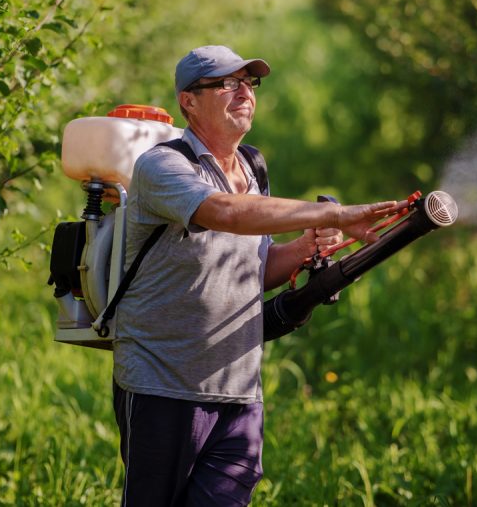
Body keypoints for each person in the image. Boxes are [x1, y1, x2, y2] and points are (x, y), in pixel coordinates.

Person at [111, 45, 403, 506]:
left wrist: (307, 246)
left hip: (240, 394)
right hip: (162, 385)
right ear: (189, 100)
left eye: (249, 82)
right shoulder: (163, 166)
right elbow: (224, 212)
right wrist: (338, 214)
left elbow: (257, 269)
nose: (244, 91)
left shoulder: (253, 167)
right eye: (227, 83)